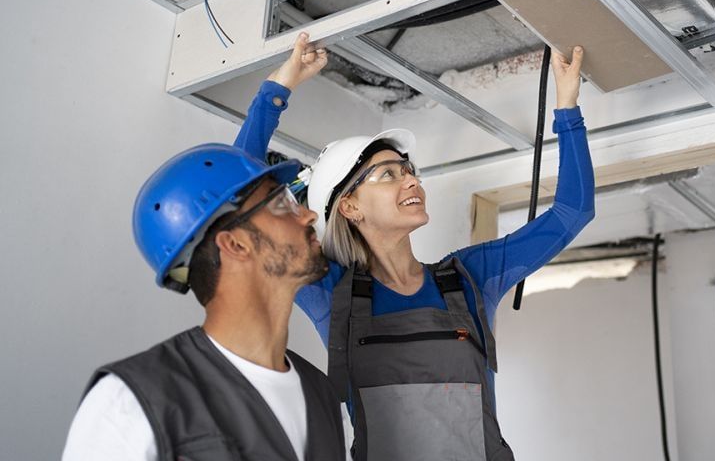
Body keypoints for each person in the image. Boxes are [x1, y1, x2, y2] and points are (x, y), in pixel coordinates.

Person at [236, 33, 594, 460]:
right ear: (349, 207)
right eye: (389, 174)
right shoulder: (331, 292)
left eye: (409, 170)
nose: (411, 180)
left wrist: (568, 108)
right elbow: (239, 205)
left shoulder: (469, 279)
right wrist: (277, 90)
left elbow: (573, 212)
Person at [61, 136, 345, 460]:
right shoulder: (131, 402)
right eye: (281, 204)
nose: (308, 216)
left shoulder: (320, 394)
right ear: (235, 245)